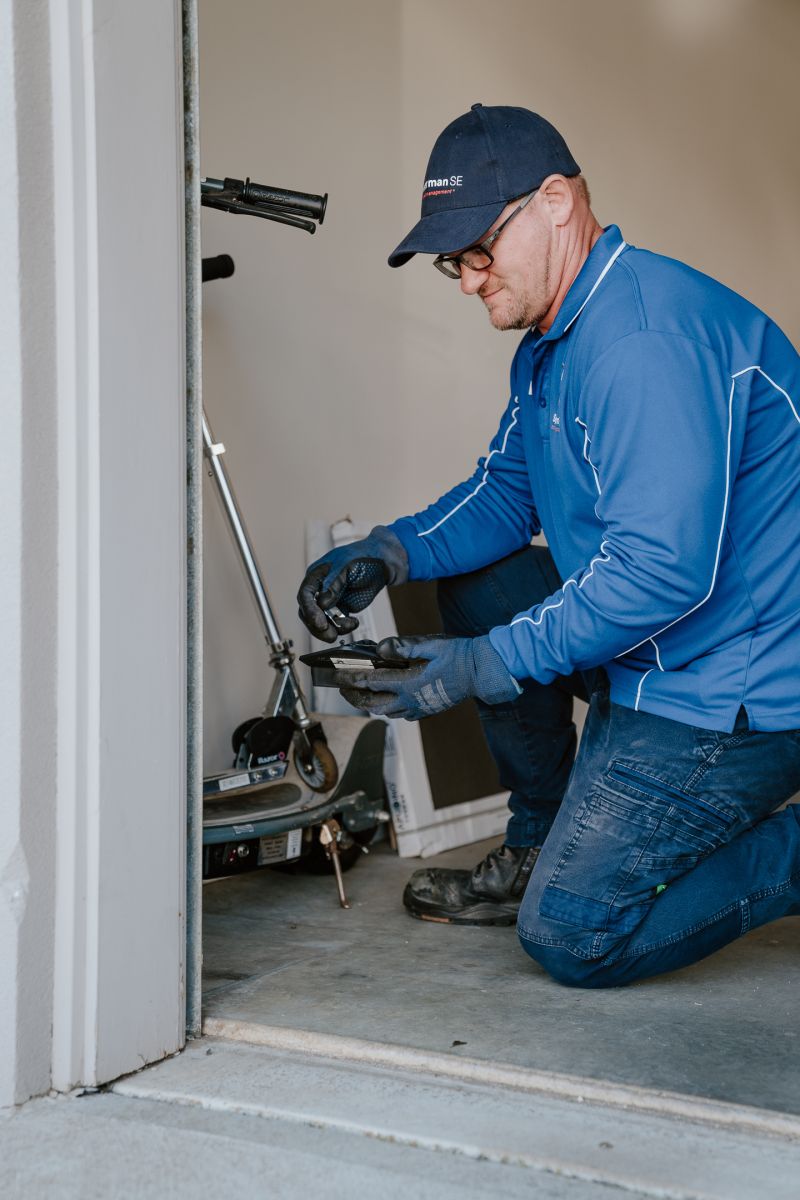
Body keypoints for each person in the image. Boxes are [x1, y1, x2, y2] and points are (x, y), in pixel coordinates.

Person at [297, 103, 800, 988]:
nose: (465, 279)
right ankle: (537, 845)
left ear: (557, 202)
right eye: (455, 262)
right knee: (486, 591)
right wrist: (388, 551)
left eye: (478, 250)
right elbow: (506, 492)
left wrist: (482, 665)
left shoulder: (642, 341)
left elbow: (660, 572)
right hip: (662, 649)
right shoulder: (556, 339)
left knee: (574, 935)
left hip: (736, 685)